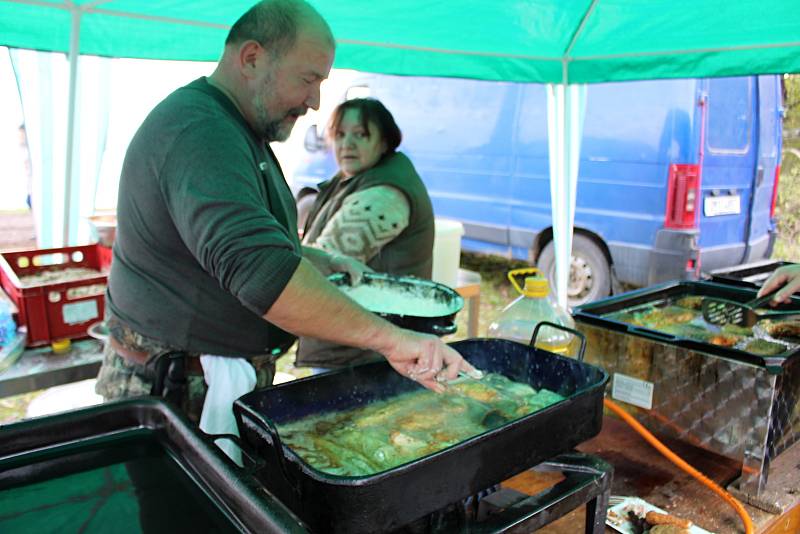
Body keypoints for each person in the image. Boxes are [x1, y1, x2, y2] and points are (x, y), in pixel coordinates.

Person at [95, 0, 474, 426]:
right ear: (252, 58)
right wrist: (391, 340)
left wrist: (318, 258)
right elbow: (261, 271)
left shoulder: (238, 132)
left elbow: (247, 243)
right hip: (172, 392)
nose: (314, 101)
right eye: (309, 79)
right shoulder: (202, 132)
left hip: (200, 380)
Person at [295, 98, 435, 369]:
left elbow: (319, 267)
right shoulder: (356, 175)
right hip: (359, 342)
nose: (347, 144)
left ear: (384, 142)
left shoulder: (384, 194)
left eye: (360, 135)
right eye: (340, 134)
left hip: (362, 356)